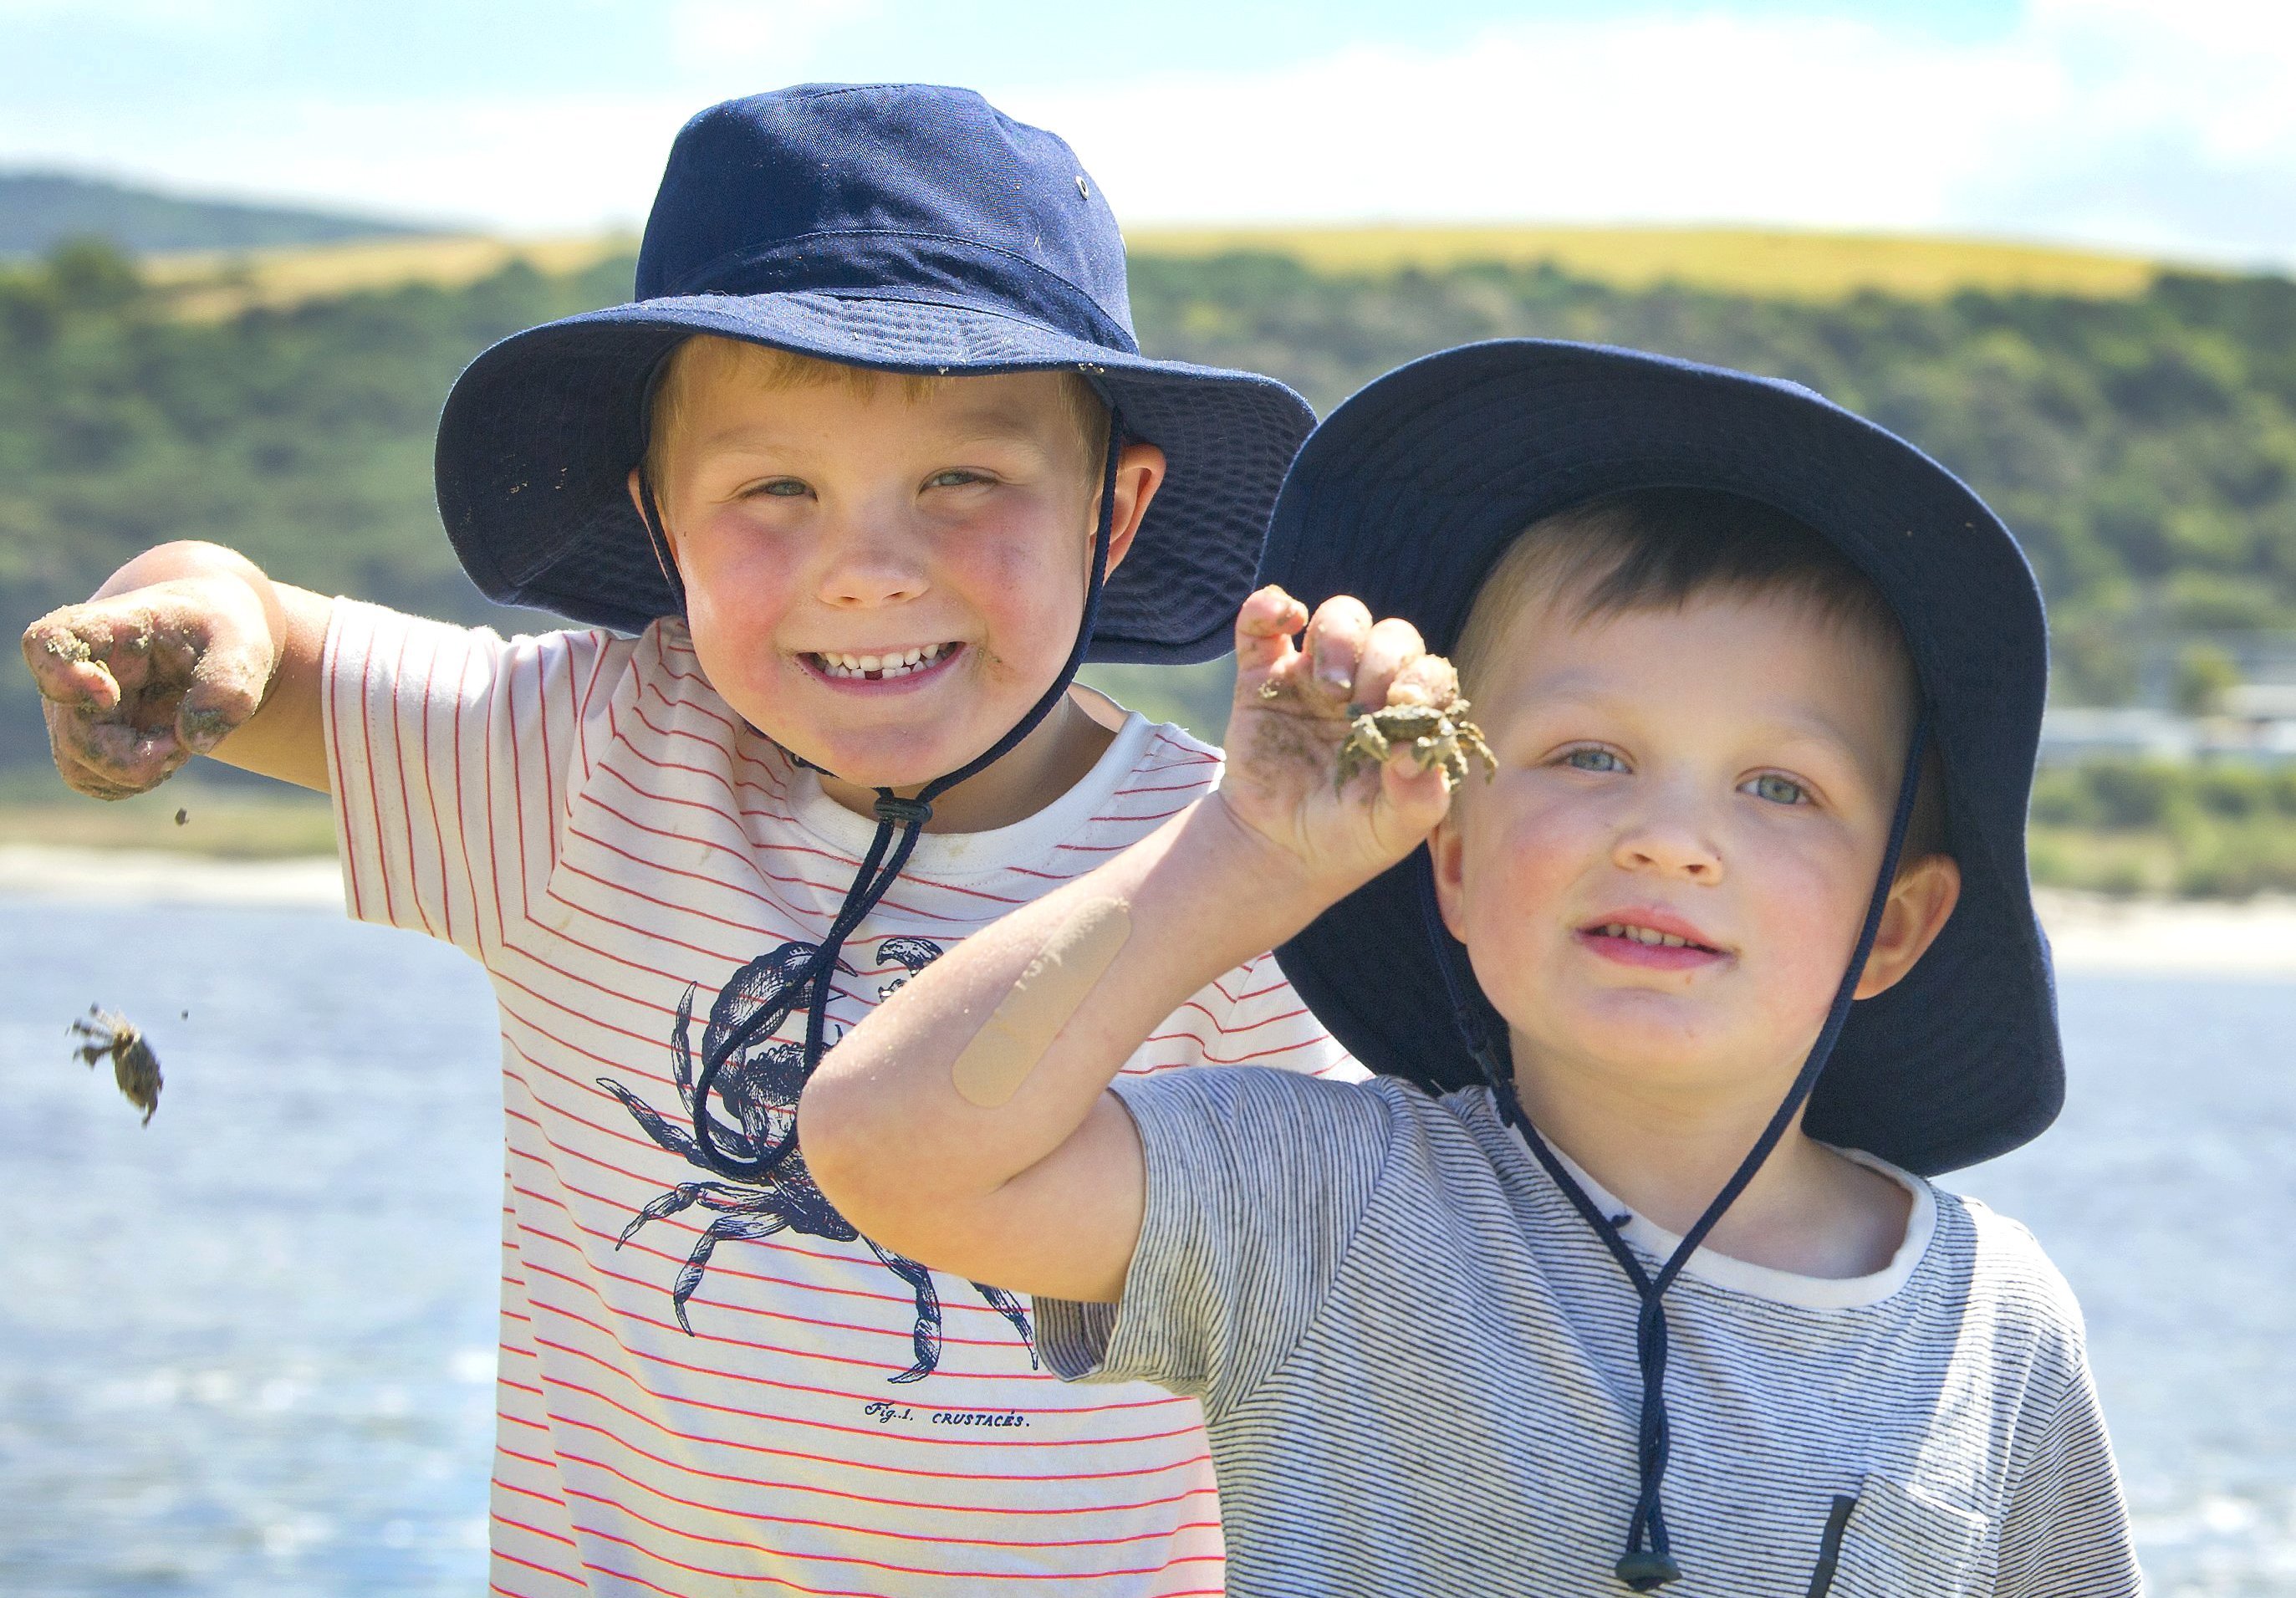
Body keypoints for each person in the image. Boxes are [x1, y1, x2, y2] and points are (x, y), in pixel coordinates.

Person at [20, 84, 1360, 1595]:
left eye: (962, 481)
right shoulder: (586, 766)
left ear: (1112, 516)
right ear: (660, 519)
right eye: (772, 488)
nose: (864, 571)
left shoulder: (1243, 865)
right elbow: (259, 624)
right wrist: (181, 621)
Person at [801, 340, 2142, 1595]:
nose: (1668, 841)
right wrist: (1245, 852)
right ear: (1449, 861)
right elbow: (888, 1145)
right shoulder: (1324, 1203)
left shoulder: (1991, 1322)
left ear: (1895, 929)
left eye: (1778, 786)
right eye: (1587, 758)